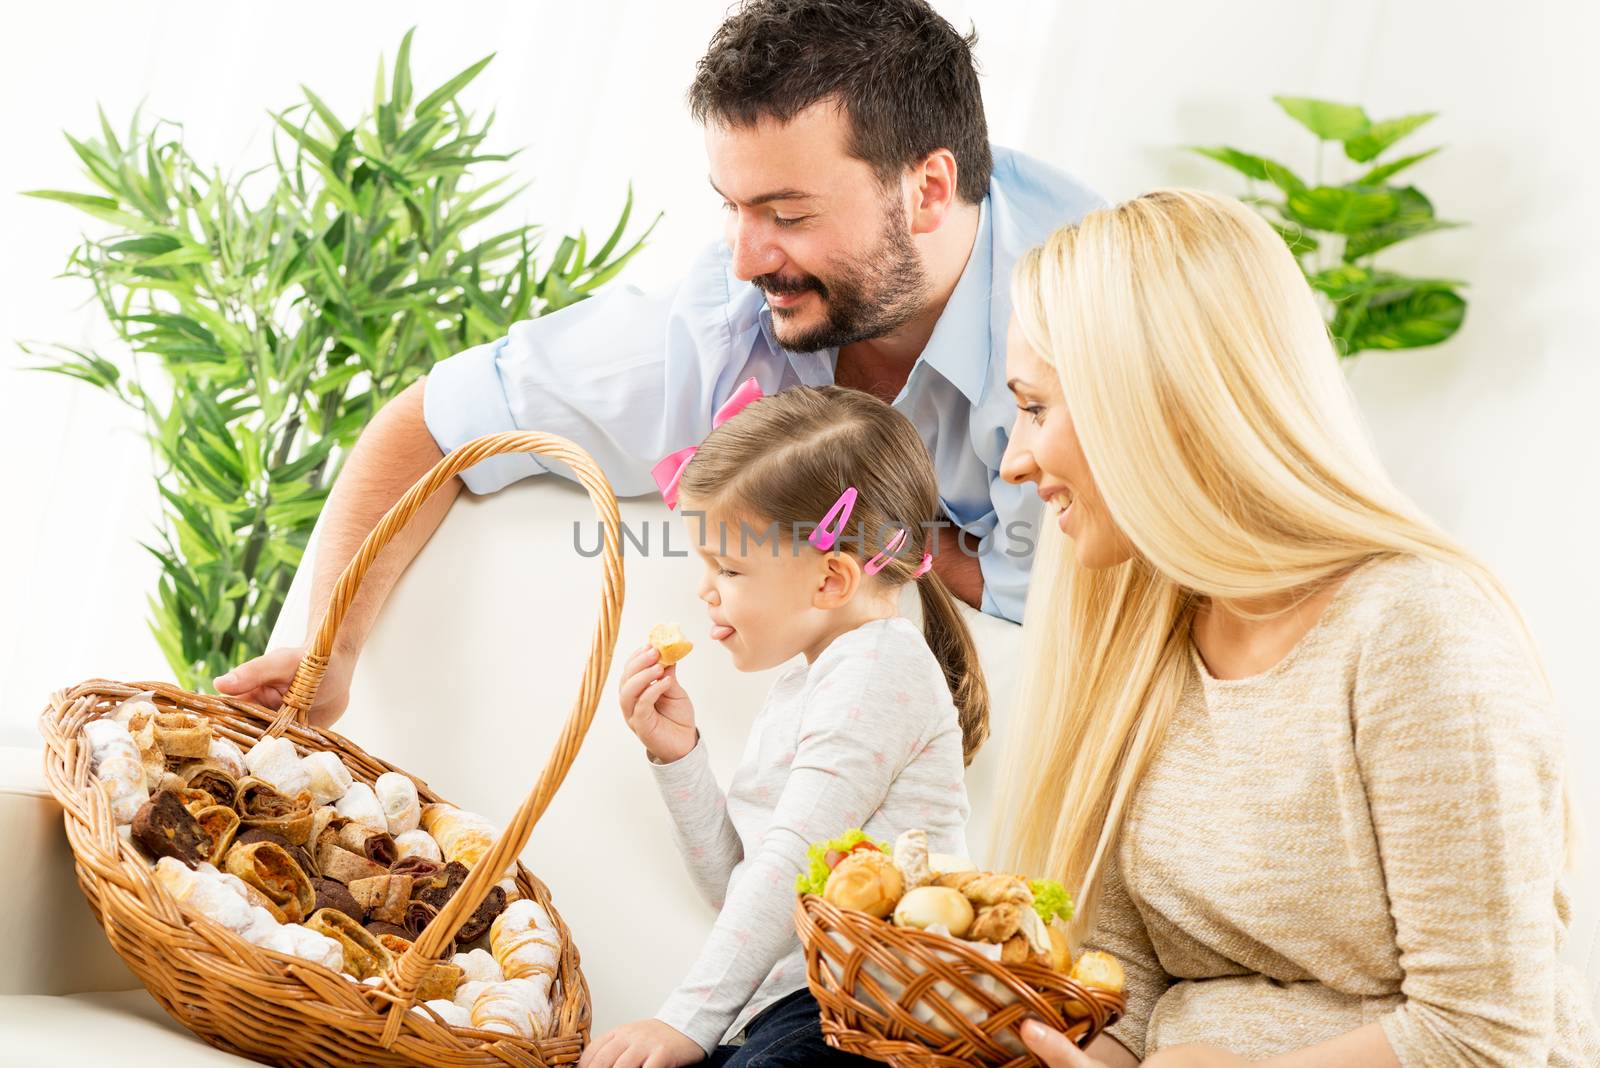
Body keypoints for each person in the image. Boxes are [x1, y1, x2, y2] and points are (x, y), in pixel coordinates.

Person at [214, 0, 1102, 725]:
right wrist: (326, 657)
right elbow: (435, 424)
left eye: (788, 214)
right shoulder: (730, 312)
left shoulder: (1097, 316)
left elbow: (1070, 600)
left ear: (928, 192)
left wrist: (859, 532)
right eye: (732, 206)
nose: (749, 256)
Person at [992, 189, 1598, 1066]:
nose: (1014, 459)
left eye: (1037, 408)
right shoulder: (1146, 633)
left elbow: (1482, 1034)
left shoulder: (1414, 631)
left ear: (1152, 404)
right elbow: (1126, 981)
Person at [579, 383, 989, 1068]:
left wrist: (685, 1021)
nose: (705, 590)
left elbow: (790, 865)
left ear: (831, 579)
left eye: (729, 567)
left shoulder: (878, 672)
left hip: (874, 1007)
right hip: (788, 1004)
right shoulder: (810, 678)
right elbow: (741, 888)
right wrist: (678, 757)